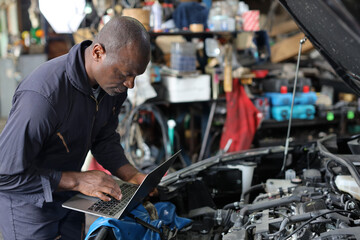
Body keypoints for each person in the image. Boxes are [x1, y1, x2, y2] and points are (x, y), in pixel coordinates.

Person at [0, 16, 151, 239]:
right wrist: (78, 180)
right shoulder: (42, 97)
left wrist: (132, 176)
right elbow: (5, 175)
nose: (130, 84)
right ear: (98, 52)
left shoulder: (112, 87)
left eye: (136, 76)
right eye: (125, 74)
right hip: (29, 209)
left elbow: (103, 137)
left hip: (72, 200)